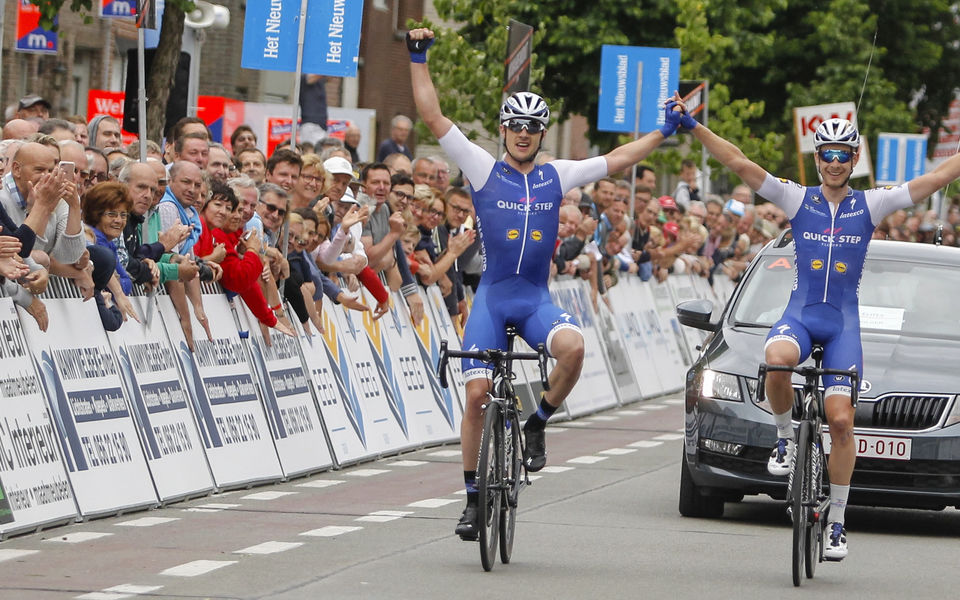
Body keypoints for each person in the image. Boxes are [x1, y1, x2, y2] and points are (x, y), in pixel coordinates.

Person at [407, 27, 680, 540]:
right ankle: (470, 500)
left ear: (542, 132)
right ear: (505, 129)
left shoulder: (559, 174)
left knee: (574, 348)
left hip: (534, 300)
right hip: (492, 298)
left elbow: (619, 160)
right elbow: (433, 116)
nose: (524, 133)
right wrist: (418, 57)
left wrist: (663, 131)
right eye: (516, 125)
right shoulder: (483, 168)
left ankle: (537, 423)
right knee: (476, 396)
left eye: (533, 127)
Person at [681, 97, 960, 560]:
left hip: (842, 325)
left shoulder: (872, 204)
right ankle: (786, 441)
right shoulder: (797, 197)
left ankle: (836, 522)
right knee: (777, 360)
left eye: (842, 154)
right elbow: (739, 162)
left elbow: (937, 177)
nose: (833, 162)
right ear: (817, 158)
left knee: (842, 420)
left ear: (854, 160)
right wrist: (694, 127)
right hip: (800, 316)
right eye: (826, 154)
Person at [299, 74, 329, 146]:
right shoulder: (304, 77)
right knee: (309, 152)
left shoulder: (320, 81)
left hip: (321, 125)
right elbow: (310, 78)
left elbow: (330, 78)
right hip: (310, 124)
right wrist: (326, 67)